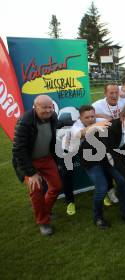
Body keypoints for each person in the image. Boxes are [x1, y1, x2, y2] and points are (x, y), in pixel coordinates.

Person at [80, 104, 125, 229]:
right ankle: (98, 217)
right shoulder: (110, 128)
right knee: (102, 188)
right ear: (122, 118)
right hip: (92, 158)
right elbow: (112, 157)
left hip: (109, 155)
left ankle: (124, 213)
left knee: (123, 182)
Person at [12, 95, 62, 236]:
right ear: (35, 107)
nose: (48, 110)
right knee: (36, 192)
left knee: (57, 186)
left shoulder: (53, 117)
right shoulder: (25, 122)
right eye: (44, 107)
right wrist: (31, 173)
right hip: (29, 161)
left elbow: (56, 129)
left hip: (46, 158)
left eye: (50, 107)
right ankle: (43, 222)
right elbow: (18, 149)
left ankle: (45, 211)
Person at [60, 105, 110, 216]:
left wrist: (98, 117)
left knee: (101, 167)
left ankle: (103, 192)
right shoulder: (76, 126)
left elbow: (111, 119)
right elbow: (80, 134)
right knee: (67, 174)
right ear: (80, 118)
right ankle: (70, 202)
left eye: (92, 116)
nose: (90, 119)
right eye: (86, 118)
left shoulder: (96, 120)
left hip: (86, 149)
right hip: (70, 149)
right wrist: (97, 125)